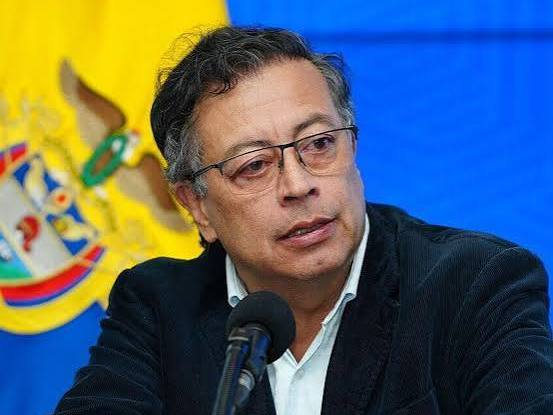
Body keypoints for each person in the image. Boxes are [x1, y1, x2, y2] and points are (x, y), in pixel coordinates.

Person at [54, 27, 553, 415]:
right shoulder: (158, 307)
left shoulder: (473, 283)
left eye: (319, 144)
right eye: (254, 165)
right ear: (197, 205)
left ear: (352, 145)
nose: (298, 184)